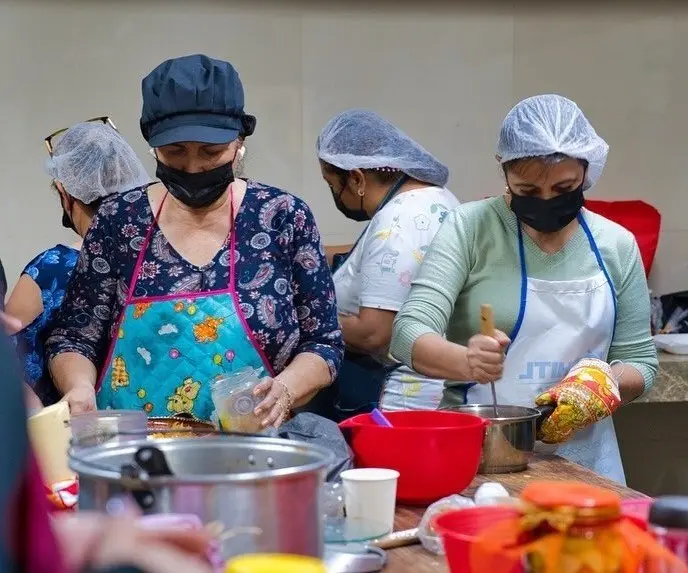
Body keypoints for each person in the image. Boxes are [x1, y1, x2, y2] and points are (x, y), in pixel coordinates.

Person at [45, 54, 342, 428]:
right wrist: (79, 387)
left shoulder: (283, 217)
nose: (193, 167)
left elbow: (323, 342)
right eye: (174, 152)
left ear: (240, 140)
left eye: (210, 152)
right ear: (152, 144)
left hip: (255, 453)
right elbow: (74, 337)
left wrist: (285, 389)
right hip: (136, 453)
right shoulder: (120, 221)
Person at [390, 94, 657, 484]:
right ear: (504, 171)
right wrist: (465, 360)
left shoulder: (615, 244)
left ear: (586, 170)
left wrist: (605, 382)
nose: (546, 201)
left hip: (588, 465)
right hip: (482, 458)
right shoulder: (470, 228)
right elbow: (406, 331)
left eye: (564, 187)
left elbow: (641, 362)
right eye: (528, 191)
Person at [310, 109, 459, 419]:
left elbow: (374, 333)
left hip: (400, 398)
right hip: (434, 388)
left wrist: (305, 317)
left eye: (331, 184)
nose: (334, 195)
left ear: (357, 178)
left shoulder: (397, 223)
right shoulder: (437, 200)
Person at [6, 121, 151, 406]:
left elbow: (8, 366)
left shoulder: (48, 272)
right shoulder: (157, 261)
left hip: (72, 437)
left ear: (64, 192)